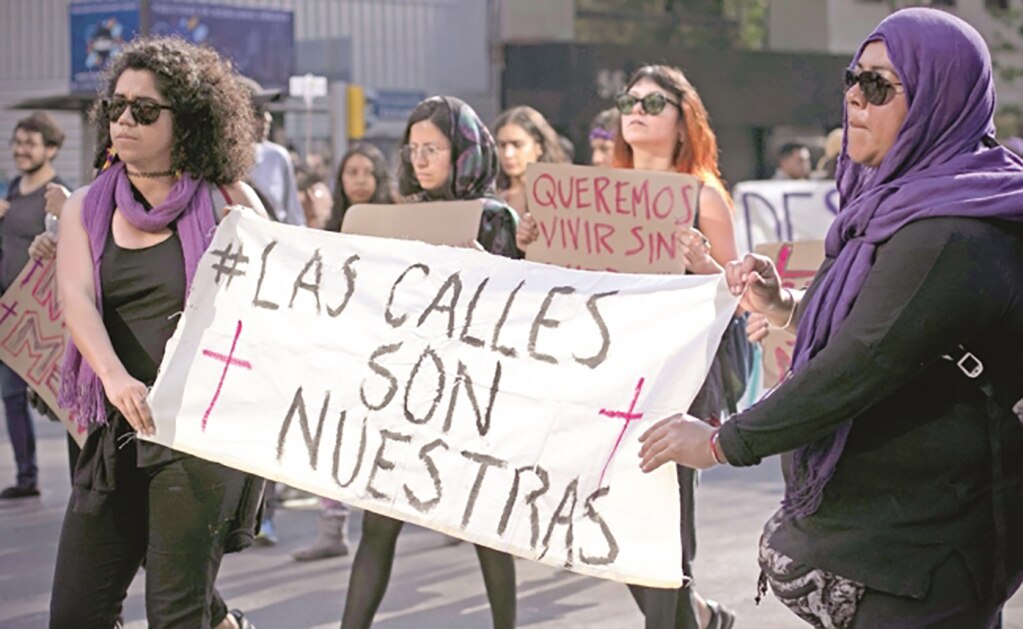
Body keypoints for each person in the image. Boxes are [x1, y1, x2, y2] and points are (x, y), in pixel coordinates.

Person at [638, 9, 1023, 628]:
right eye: (852, 78)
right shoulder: (902, 201)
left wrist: (718, 442)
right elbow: (884, 321)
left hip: (925, 561)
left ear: (937, 99)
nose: (854, 97)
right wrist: (781, 305)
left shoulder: (953, 230)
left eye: (878, 85)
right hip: (897, 550)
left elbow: (861, 361)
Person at [51, 36, 265, 629]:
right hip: (116, 431)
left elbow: (282, 310)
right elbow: (75, 299)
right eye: (117, 107)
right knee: (74, 612)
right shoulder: (86, 208)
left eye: (144, 110)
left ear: (189, 121)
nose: (124, 120)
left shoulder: (231, 203)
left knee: (175, 615)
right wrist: (115, 379)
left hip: (199, 438)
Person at [341, 95, 519, 629]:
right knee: (378, 525)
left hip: (469, 395)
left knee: (485, 530)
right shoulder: (396, 217)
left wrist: (487, 268)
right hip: (406, 393)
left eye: (433, 149)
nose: (420, 160)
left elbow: (515, 310)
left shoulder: (495, 219)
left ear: (462, 151)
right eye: (413, 148)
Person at [0, 112, 68, 499]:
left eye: (31, 143)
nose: (21, 150)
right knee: (11, 396)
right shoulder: (12, 189)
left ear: (52, 149)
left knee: (53, 397)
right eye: (18, 142)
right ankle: (27, 477)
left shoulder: (58, 195)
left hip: (41, 313)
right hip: (8, 309)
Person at [492, 105, 567, 218]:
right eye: (502, 145)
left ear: (539, 147)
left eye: (518, 145)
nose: (508, 154)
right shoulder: (491, 198)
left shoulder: (559, 197)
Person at [326, 142, 395, 231]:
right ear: (341, 178)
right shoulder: (328, 234)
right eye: (352, 172)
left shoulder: (396, 223)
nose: (360, 181)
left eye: (369, 172)